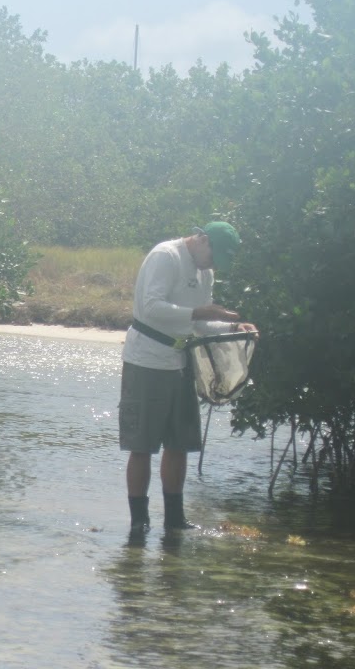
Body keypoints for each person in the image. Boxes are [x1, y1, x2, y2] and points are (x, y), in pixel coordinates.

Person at [119, 221, 257, 538]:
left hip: (181, 363)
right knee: (141, 446)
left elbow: (201, 327)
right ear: (202, 240)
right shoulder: (165, 256)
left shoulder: (205, 273)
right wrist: (201, 313)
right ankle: (139, 523)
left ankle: (175, 519)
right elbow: (151, 308)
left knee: (179, 443)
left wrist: (233, 329)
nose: (212, 264)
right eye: (214, 255)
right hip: (146, 360)